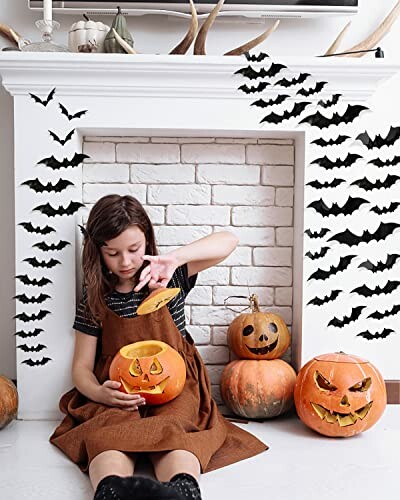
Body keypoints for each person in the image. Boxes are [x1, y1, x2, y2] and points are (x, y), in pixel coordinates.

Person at [50, 194, 267, 500]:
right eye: (112, 253)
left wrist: (175, 258)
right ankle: (111, 489)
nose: (124, 261)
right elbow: (82, 368)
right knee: (108, 434)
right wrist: (99, 393)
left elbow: (228, 241)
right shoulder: (96, 298)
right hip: (120, 392)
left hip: (177, 386)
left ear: (147, 241)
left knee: (176, 430)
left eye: (133, 250)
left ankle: (182, 488)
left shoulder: (171, 275)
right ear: (97, 251)